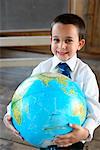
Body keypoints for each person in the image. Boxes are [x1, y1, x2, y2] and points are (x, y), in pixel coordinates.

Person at [3, 13, 100, 150]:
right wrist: (10, 114)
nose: (61, 46)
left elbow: (94, 110)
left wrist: (85, 132)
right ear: (51, 40)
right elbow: (26, 94)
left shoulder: (85, 74)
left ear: (80, 44)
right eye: (56, 40)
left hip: (73, 139)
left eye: (68, 41)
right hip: (44, 134)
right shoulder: (42, 68)